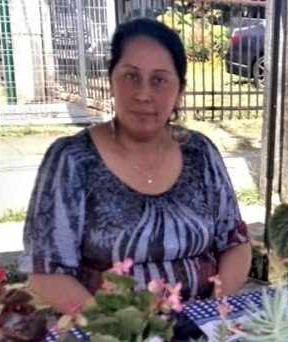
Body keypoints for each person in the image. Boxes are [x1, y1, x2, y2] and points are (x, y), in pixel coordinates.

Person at [20, 18, 251, 314]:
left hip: (198, 330)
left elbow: (235, 243)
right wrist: (114, 332)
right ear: (111, 79)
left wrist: (212, 310)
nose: (143, 94)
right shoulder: (72, 160)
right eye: (131, 76)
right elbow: (46, 270)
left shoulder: (200, 153)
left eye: (159, 80)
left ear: (179, 90)